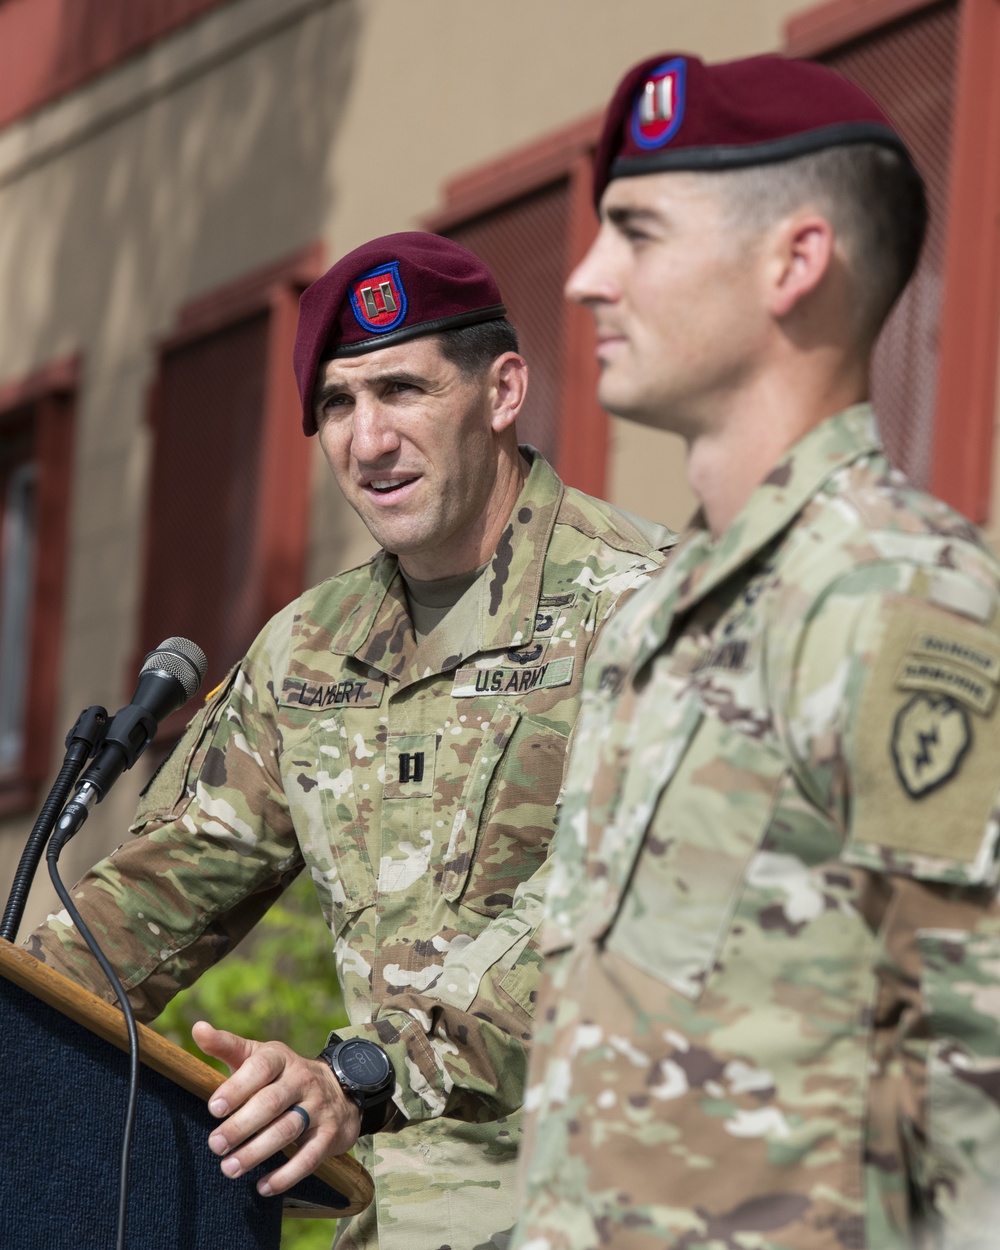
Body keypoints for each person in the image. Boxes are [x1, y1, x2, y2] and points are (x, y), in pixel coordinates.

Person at [27, 232, 674, 1250]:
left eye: (402, 390)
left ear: (502, 390)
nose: (367, 439)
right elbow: (141, 902)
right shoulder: (307, 651)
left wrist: (360, 1073)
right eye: (336, 404)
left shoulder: (651, 606)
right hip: (387, 1220)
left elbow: (608, 918)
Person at [511, 53, 1000, 1250]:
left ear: (793, 260)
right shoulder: (659, 610)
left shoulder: (905, 598)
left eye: (635, 231)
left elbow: (973, 1071)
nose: (585, 278)